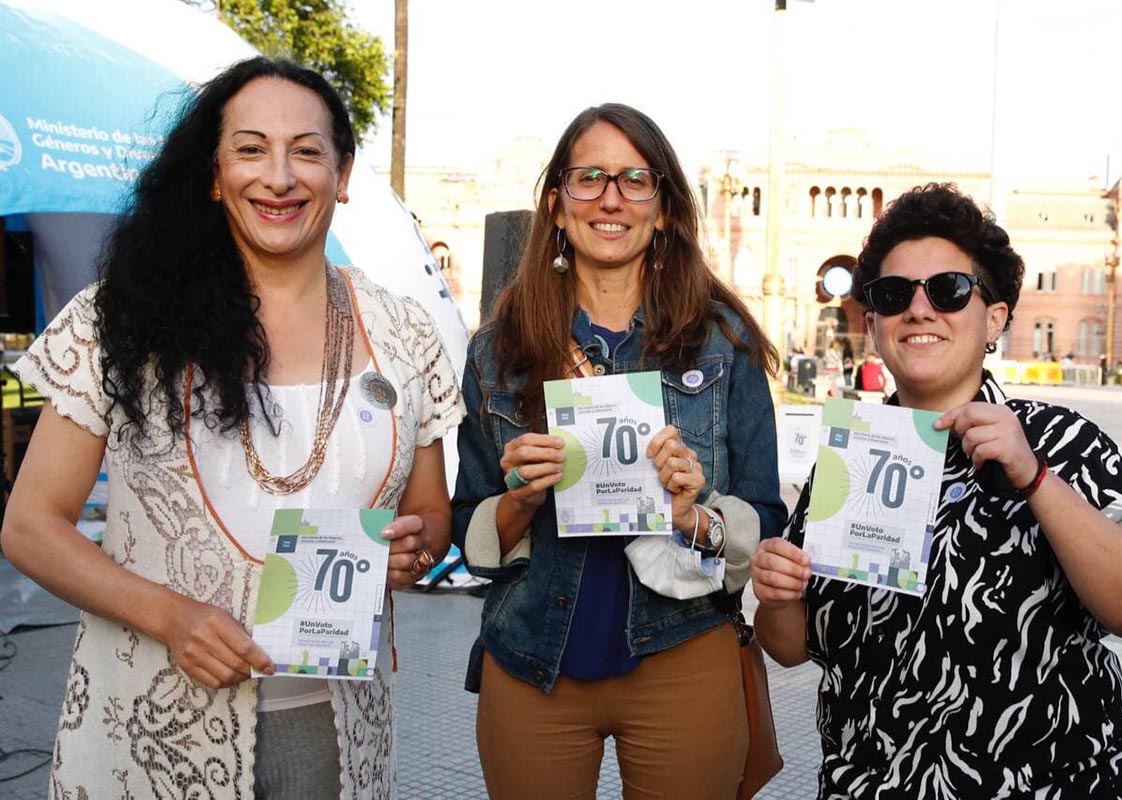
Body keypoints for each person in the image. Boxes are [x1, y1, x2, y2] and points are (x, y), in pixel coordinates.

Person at [0, 57, 463, 798]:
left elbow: (430, 510)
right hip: (148, 730)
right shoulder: (120, 320)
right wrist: (169, 615)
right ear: (214, 175)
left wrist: (413, 547)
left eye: (307, 151)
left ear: (342, 176)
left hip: (336, 729)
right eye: (250, 149)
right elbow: (28, 525)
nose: (278, 176)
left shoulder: (402, 333)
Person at [750, 183, 1122, 798]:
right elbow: (793, 647)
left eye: (948, 290)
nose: (919, 310)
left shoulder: (1065, 441)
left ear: (995, 318)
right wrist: (778, 595)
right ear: (872, 326)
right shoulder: (850, 458)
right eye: (895, 296)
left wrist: (1035, 479)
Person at [451, 103, 786, 799]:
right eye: (590, 178)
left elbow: (765, 513)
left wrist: (693, 514)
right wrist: (518, 501)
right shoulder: (498, 350)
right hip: (533, 657)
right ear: (557, 203)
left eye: (636, 179)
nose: (611, 197)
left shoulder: (722, 343)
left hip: (683, 651)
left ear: (662, 209)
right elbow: (468, 525)